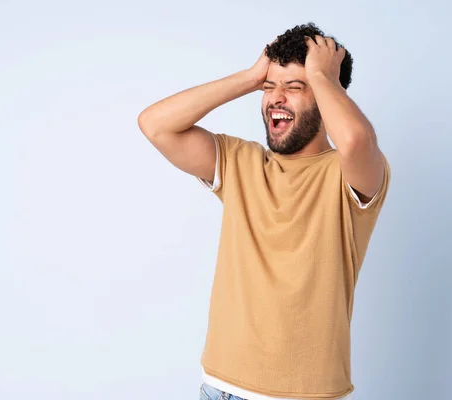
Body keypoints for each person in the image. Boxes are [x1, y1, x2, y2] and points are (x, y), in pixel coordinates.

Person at [138, 22, 391, 400]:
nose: (276, 99)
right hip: (220, 389)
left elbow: (354, 139)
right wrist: (249, 77)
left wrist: (323, 75)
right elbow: (155, 125)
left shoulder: (349, 174)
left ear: (328, 94)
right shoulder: (241, 162)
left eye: (295, 87)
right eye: (270, 88)